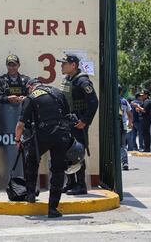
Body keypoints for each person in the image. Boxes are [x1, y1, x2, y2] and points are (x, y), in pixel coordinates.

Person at [15, 78, 73, 218]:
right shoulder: (58, 92)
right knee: (58, 170)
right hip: (61, 135)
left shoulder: (32, 96)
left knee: (32, 160)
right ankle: (53, 208)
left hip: (43, 135)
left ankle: (30, 194)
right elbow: (68, 115)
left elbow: (21, 124)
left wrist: (17, 140)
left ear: (30, 87)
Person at [57, 54, 98, 195]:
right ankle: (71, 183)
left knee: (77, 152)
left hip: (78, 121)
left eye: (64, 63)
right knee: (66, 151)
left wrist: (85, 121)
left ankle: (81, 185)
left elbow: (94, 102)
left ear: (73, 65)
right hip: (68, 121)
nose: (61, 66)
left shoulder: (82, 81)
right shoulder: (68, 79)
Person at [0, 54, 30, 177]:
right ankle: (10, 176)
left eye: (14, 64)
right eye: (9, 65)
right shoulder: (1, 80)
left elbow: (32, 96)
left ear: (18, 65)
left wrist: (24, 99)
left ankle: (23, 177)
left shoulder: (26, 80)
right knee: (9, 149)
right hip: (6, 121)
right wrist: (8, 99)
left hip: (22, 121)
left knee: (23, 148)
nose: (12, 67)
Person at [119, 85, 133, 170]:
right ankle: (125, 163)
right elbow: (130, 114)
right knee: (123, 145)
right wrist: (130, 123)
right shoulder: (124, 101)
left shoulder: (111, 100)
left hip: (114, 126)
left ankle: (114, 162)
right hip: (123, 125)